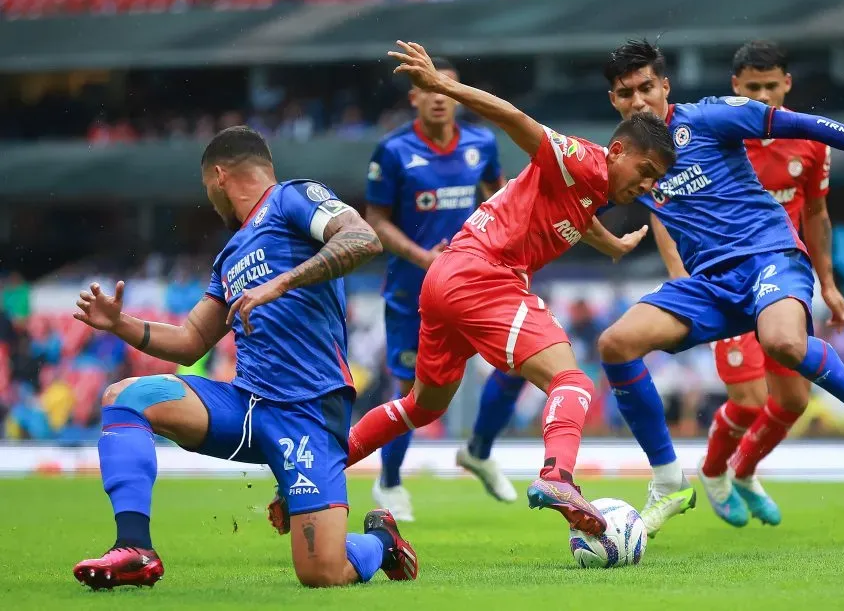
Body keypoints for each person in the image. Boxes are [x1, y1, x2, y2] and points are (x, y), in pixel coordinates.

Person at [594, 39, 844, 536]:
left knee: (783, 346)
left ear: (665, 86)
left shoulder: (710, 118)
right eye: (625, 93)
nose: (638, 101)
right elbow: (567, 203)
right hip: (709, 285)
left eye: (646, 87)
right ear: (614, 101)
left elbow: (804, 124)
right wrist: (601, 240)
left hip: (769, 257)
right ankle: (670, 480)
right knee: (614, 344)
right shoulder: (620, 160)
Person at [342, 40, 676, 536]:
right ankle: (557, 477)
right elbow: (515, 120)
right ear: (619, 150)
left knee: (423, 405)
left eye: (655, 182)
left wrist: (611, 246)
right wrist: (443, 85)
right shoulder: (582, 159)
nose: (647, 185)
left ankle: (318, 473)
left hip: (446, 279)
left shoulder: (591, 189)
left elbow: (579, 216)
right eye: (645, 172)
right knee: (574, 381)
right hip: (484, 273)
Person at [71, 126, 418, 589]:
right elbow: (193, 339)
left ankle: (381, 542)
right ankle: (135, 549)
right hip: (247, 405)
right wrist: (121, 325)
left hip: (308, 410)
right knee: (127, 397)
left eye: (205, 188)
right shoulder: (230, 255)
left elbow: (363, 239)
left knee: (322, 573)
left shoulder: (293, 199)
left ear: (218, 176)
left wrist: (281, 283)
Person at [693, 41, 844, 528]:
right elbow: (670, 205)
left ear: (787, 84)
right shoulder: (716, 137)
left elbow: (818, 214)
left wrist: (828, 282)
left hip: (786, 280)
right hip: (729, 276)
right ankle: (714, 472)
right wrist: (684, 272)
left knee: (794, 402)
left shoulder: (809, 142)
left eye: (771, 86)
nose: (763, 96)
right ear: (735, 88)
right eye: (752, 87)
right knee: (749, 399)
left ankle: (744, 470)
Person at [363, 56, 525, 521]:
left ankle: (478, 449)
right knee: (415, 388)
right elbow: (376, 221)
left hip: (475, 285)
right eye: (428, 89)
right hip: (412, 291)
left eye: (447, 89)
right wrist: (424, 257)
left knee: (519, 360)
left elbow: (501, 201)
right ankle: (390, 482)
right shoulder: (392, 151)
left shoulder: (482, 143)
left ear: (456, 96)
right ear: (414, 96)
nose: (438, 97)